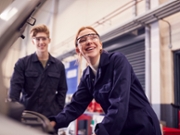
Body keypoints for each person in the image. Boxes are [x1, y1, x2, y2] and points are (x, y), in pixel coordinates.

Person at [49, 26, 162, 135]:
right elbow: (75, 106)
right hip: (120, 128)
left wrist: (101, 132)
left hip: (141, 126)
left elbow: (119, 101)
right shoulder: (87, 76)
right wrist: (54, 122)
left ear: (100, 44)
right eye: (82, 40)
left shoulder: (117, 60)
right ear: (78, 50)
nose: (89, 41)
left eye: (93, 37)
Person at [8, 24, 68, 117]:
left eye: (44, 39)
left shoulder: (59, 66)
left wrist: (57, 110)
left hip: (50, 118)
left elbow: (62, 90)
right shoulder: (22, 63)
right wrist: (15, 113)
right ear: (33, 41)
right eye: (37, 39)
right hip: (26, 116)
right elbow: (14, 91)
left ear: (49, 40)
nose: (41, 42)